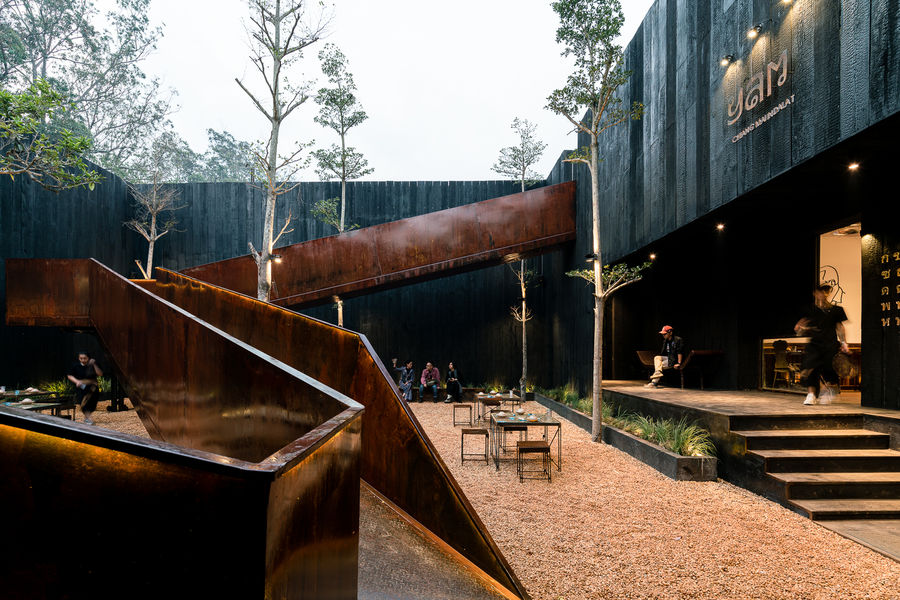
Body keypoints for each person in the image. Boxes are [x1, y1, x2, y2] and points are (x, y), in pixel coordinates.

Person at [794, 283, 849, 405]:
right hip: (814, 344)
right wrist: (801, 328)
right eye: (821, 291)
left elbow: (840, 327)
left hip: (830, 344)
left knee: (829, 370)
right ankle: (811, 395)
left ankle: (831, 390)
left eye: (826, 291)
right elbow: (801, 326)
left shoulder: (836, 310)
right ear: (815, 293)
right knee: (810, 367)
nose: (824, 294)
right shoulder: (810, 310)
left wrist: (844, 343)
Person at [67, 351, 103, 424]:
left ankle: (87, 417)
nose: (83, 360)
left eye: (85, 358)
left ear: (89, 358)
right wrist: (77, 381)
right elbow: (69, 375)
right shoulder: (76, 366)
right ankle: (88, 418)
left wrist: (94, 364)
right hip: (81, 387)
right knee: (83, 403)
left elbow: (100, 374)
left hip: (92, 387)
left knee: (92, 403)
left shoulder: (93, 365)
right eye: (81, 358)